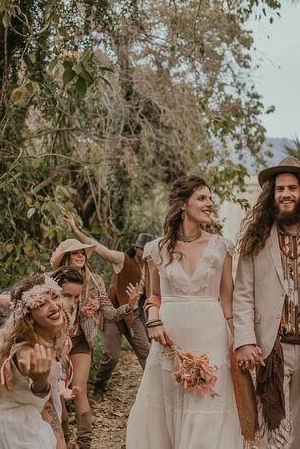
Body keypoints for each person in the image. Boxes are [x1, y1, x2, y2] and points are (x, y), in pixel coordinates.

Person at [233, 156, 300, 449]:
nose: (285, 194)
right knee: (272, 423)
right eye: (279, 188)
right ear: (272, 194)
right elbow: (242, 293)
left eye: (291, 188)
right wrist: (244, 340)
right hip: (270, 347)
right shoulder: (255, 237)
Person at [126, 176, 242, 449]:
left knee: (206, 417)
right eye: (202, 198)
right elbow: (153, 296)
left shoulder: (221, 247)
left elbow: (228, 300)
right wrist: (153, 320)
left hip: (211, 340)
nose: (209, 203)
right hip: (170, 341)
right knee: (168, 414)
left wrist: (240, 340)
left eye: (210, 198)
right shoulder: (156, 249)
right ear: (182, 204)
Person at [49, 237, 139, 449]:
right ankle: (62, 439)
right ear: (65, 258)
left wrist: (130, 306)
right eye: (75, 253)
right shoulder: (50, 282)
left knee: (79, 390)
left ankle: (84, 443)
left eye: (82, 252)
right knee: (57, 394)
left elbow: (109, 313)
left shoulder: (95, 281)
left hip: (81, 340)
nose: (80, 255)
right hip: (54, 342)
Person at [62, 214, 153, 391]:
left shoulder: (151, 267)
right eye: (143, 248)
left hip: (133, 315)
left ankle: (152, 389)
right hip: (114, 313)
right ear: (136, 248)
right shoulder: (122, 259)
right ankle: (99, 384)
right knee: (111, 356)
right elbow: (97, 247)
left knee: (147, 352)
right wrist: (74, 230)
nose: (146, 252)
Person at [0, 275, 70, 449]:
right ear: (29, 317)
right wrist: (39, 383)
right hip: (15, 418)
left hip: (36, 404)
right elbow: (37, 384)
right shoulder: (27, 352)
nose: (54, 307)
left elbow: (10, 301)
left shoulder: (52, 330)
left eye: (54, 297)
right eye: (41, 304)